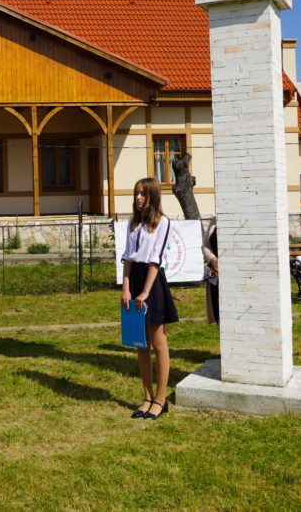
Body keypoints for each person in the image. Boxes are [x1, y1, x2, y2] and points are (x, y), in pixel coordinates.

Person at [120, 177, 179, 420]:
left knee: (157, 340)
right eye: (136, 193)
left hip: (152, 282)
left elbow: (155, 258)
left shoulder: (162, 222)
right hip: (134, 280)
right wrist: (126, 288)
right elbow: (127, 258)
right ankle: (146, 396)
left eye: (143, 193)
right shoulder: (133, 222)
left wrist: (144, 292)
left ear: (153, 196)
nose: (138, 197)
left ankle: (160, 398)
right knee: (139, 342)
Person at [201, 216, 219, 326]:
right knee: (217, 309)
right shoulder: (214, 220)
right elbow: (205, 245)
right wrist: (213, 259)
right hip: (215, 273)